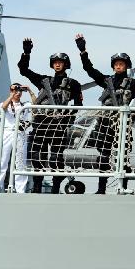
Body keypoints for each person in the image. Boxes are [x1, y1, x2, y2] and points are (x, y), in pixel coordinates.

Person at [75, 34, 135, 194]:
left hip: (122, 124)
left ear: (126, 66)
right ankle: (101, 189)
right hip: (105, 122)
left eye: (121, 64)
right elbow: (89, 70)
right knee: (103, 155)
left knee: (123, 156)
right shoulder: (106, 81)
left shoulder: (133, 83)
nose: (118, 66)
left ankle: (123, 188)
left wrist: (131, 116)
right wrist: (83, 51)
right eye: (116, 64)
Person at [18, 38, 83, 193]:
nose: (57, 64)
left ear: (66, 64)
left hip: (58, 124)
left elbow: (78, 105)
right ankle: (38, 186)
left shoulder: (74, 84)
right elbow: (23, 70)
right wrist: (26, 52)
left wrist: (68, 120)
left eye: (60, 62)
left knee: (56, 158)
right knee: (37, 155)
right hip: (41, 122)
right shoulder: (43, 80)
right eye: (55, 62)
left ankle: (55, 187)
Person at [0, 82, 36, 193]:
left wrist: (29, 90)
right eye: (15, 91)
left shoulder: (25, 105)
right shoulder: (5, 103)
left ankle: (20, 190)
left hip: (20, 134)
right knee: (2, 161)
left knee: (21, 162)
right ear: (11, 91)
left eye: (19, 91)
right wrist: (11, 95)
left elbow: (36, 105)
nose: (18, 93)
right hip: (7, 132)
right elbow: (3, 108)